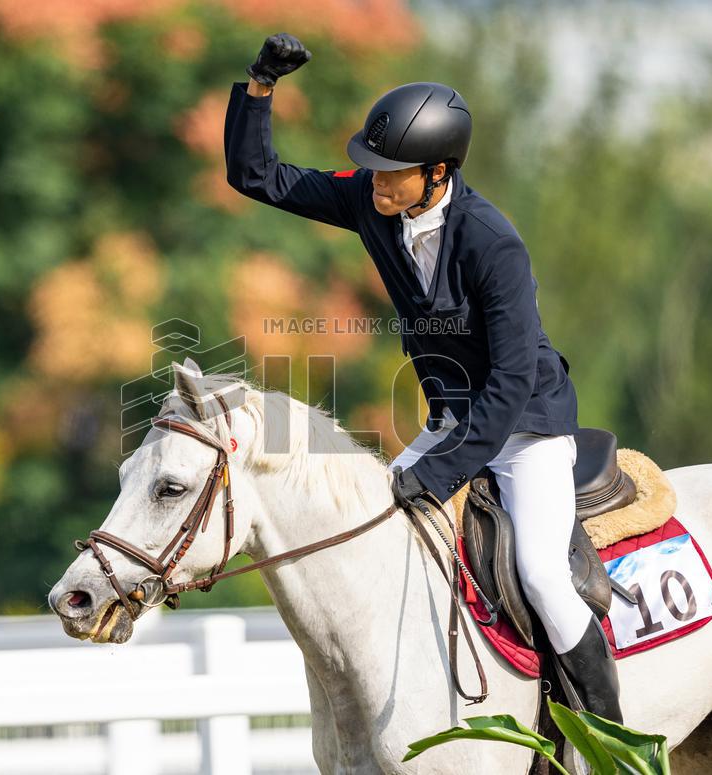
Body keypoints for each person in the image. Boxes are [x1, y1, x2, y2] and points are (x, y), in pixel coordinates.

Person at [224, 32, 622, 722]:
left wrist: (438, 475)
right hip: (451, 420)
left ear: (438, 172)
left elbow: (507, 385)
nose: (375, 182)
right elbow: (259, 178)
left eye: (390, 172)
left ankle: (613, 742)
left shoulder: (493, 244)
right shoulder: (376, 204)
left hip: (527, 427)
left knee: (543, 578)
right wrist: (259, 87)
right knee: (375, 533)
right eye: (373, 171)